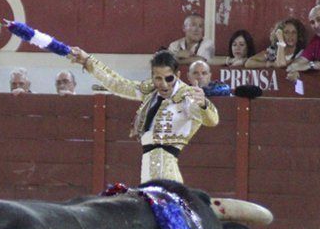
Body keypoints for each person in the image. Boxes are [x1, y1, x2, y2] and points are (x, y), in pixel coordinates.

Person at [68, 47, 218, 183]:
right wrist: (88, 61)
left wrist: (204, 104)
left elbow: (212, 120)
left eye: (169, 78)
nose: (164, 84)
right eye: (158, 78)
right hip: (147, 166)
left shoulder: (187, 97)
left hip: (166, 170)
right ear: (152, 76)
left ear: (177, 75)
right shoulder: (150, 91)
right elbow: (117, 83)